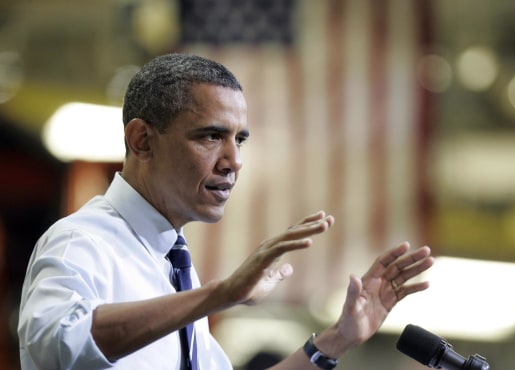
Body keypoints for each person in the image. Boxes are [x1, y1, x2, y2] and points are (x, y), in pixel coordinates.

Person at [18, 53, 434, 370]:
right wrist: (220, 294)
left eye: (240, 140)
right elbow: (59, 343)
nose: (233, 160)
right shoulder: (82, 240)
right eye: (212, 136)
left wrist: (335, 341)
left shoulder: (171, 264)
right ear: (142, 140)